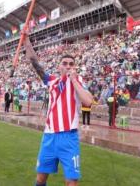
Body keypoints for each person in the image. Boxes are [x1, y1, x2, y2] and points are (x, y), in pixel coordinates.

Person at [22, 32, 93, 186]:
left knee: (71, 183)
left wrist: (73, 80)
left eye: (71, 64)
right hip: (49, 136)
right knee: (41, 178)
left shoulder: (78, 80)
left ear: (74, 66)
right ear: (59, 65)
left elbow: (88, 101)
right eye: (65, 63)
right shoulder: (51, 81)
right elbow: (34, 62)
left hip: (69, 137)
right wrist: (27, 41)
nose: (68, 66)